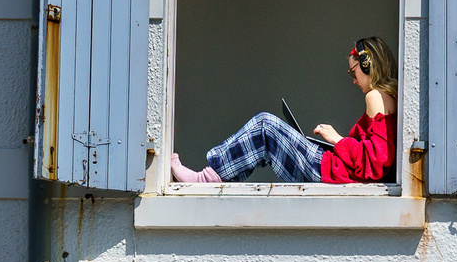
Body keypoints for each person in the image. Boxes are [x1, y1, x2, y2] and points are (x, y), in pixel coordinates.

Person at [168, 36, 399, 184]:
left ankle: (204, 180)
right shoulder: (387, 99)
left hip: (330, 171)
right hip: (331, 170)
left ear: (368, 64)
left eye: (354, 71)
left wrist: (337, 139)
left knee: (264, 126)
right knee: (264, 137)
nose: (354, 80)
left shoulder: (375, 97)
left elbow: (376, 164)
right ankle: (213, 180)